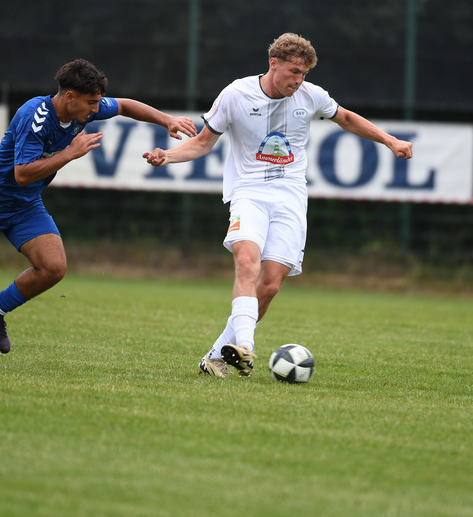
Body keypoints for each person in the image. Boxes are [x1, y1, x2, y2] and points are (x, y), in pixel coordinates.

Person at [143, 32, 413, 378]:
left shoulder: (311, 96)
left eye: (304, 74)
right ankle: (247, 347)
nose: (298, 81)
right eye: (293, 72)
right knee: (246, 262)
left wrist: (390, 141)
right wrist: (167, 156)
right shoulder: (236, 94)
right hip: (249, 191)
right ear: (274, 64)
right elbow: (201, 143)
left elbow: (346, 118)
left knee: (269, 285)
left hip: (291, 196)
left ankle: (215, 357)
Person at [0, 58, 197, 361]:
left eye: (98, 102)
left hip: (25, 204)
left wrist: (166, 120)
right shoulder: (34, 116)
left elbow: (124, 105)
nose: (96, 110)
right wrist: (70, 153)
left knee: (54, 267)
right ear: (69, 96)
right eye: (91, 103)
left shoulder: (86, 108)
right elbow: (22, 173)